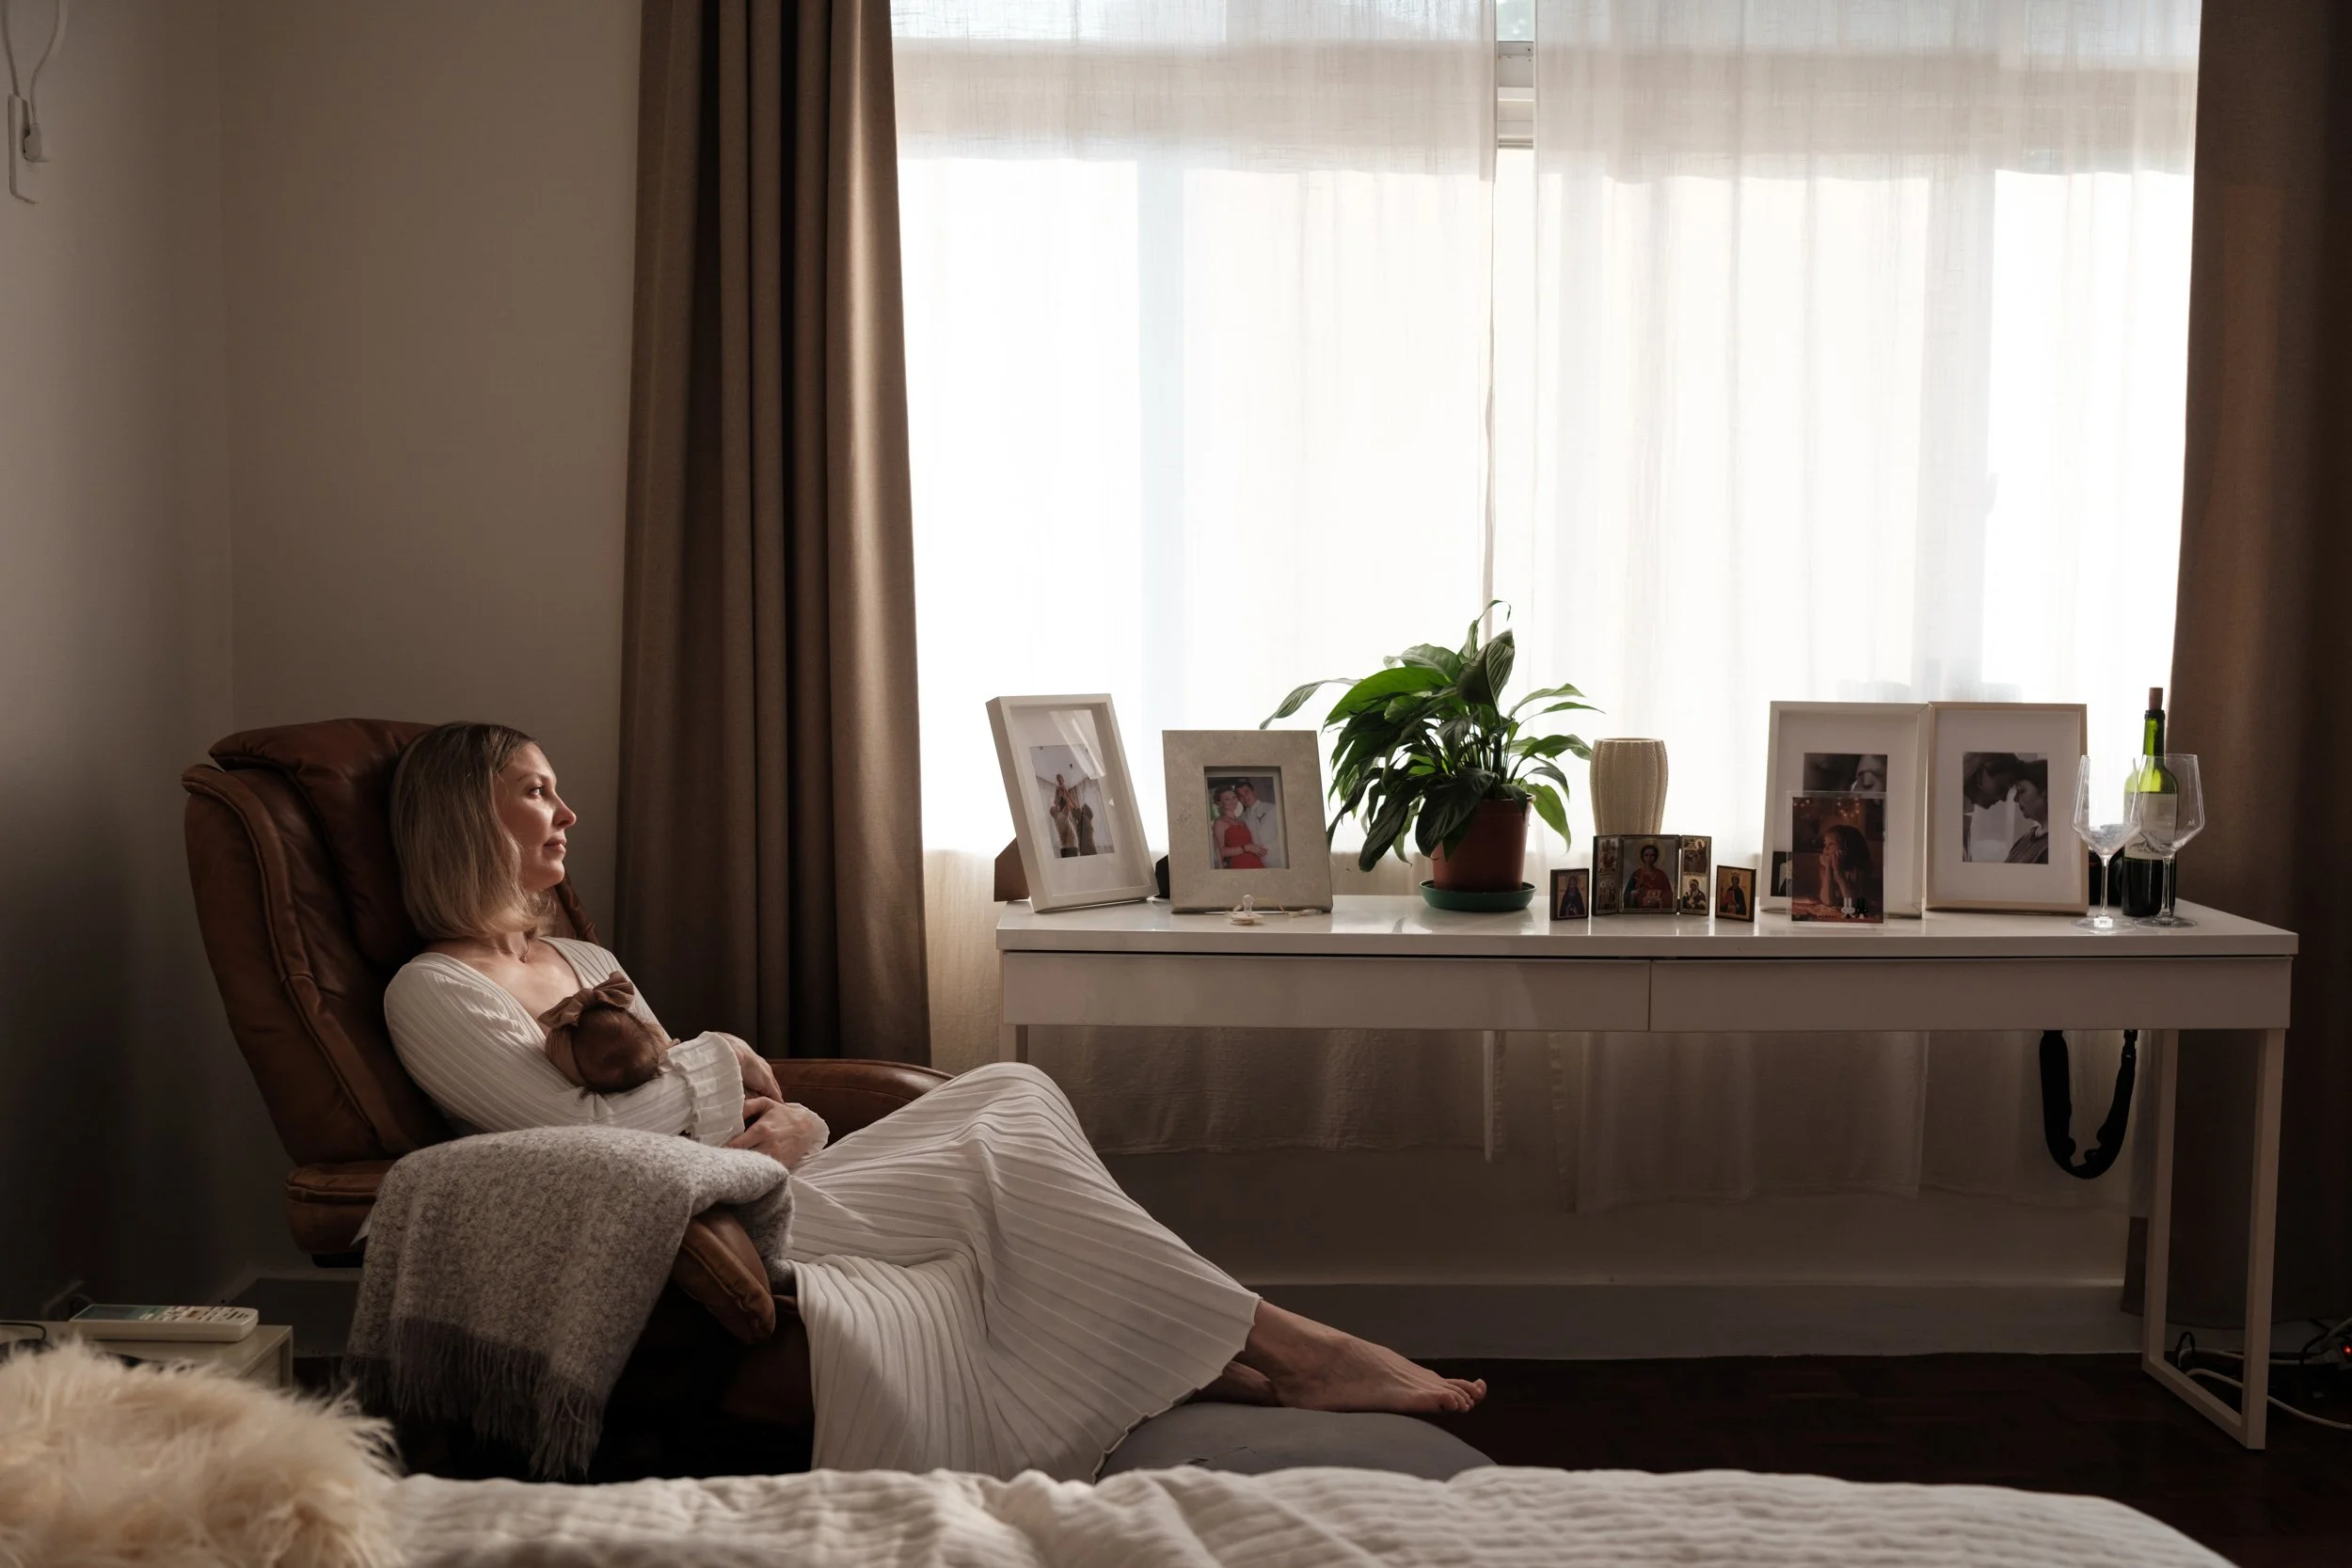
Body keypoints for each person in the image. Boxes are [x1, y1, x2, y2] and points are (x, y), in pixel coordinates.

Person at [379, 725, 1480, 1481]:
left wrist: (788, 1120)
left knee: (1009, 1087)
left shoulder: (580, 951)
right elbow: (577, 1143)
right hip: (688, 1233)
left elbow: (687, 1103)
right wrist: (735, 1065)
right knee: (990, 1147)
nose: (566, 809)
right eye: (534, 788)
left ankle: (1210, 1339)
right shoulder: (434, 989)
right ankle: (1280, 1344)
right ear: (459, 817)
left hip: (759, 1182)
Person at [1820, 823, 1875, 918]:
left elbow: (1851, 904)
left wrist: (1839, 874)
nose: (1826, 848)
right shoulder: (1826, 867)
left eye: (1831, 844)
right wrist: (1828, 868)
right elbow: (1828, 901)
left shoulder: (1858, 869)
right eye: (1825, 844)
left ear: (1847, 847)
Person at [1235, 779, 1284, 870]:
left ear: (1254, 792)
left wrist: (1266, 849)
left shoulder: (1273, 808)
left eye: (1247, 792)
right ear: (1239, 799)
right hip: (1257, 864)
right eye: (1240, 796)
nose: (1245, 797)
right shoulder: (1241, 818)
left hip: (1279, 860)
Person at [1212, 784, 1264, 869]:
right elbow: (1221, 851)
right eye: (1227, 799)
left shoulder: (1242, 821)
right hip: (1240, 864)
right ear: (1220, 803)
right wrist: (1247, 848)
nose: (1233, 801)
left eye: (1234, 797)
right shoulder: (1219, 822)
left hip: (1256, 862)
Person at [1625, 841, 1673, 910]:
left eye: (1652, 855)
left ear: (1656, 857)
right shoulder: (1636, 874)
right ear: (1642, 856)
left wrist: (1660, 900)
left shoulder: (1662, 875)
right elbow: (1627, 895)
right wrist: (1632, 894)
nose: (1649, 858)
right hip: (1639, 912)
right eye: (1646, 855)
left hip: (1657, 913)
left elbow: (1668, 895)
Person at [1049, 775, 1078, 858]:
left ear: (1062, 779)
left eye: (1060, 779)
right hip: (1062, 808)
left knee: (1066, 822)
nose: (1059, 780)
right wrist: (1058, 800)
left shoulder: (1064, 787)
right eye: (1058, 779)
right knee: (1064, 820)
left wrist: (1072, 803)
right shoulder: (1058, 789)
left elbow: (1068, 797)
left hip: (1064, 806)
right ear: (1057, 780)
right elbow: (1056, 800)